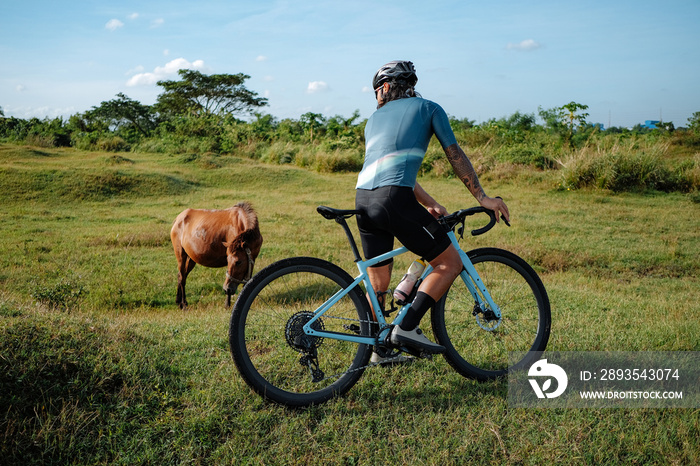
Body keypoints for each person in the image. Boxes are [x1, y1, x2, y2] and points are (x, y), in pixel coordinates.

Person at [355, 60, 510, 359]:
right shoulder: (429, 109)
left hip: (364, 200)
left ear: (386, 87)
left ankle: (379, 350)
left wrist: (429, 204)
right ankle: (408, 328)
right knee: (448, 263)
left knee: (379, 282)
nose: (376, 98)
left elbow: (389, 170)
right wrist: (482, 197)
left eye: (376, 91)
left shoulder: (373, 121)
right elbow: (454, 153)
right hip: (393, 200)